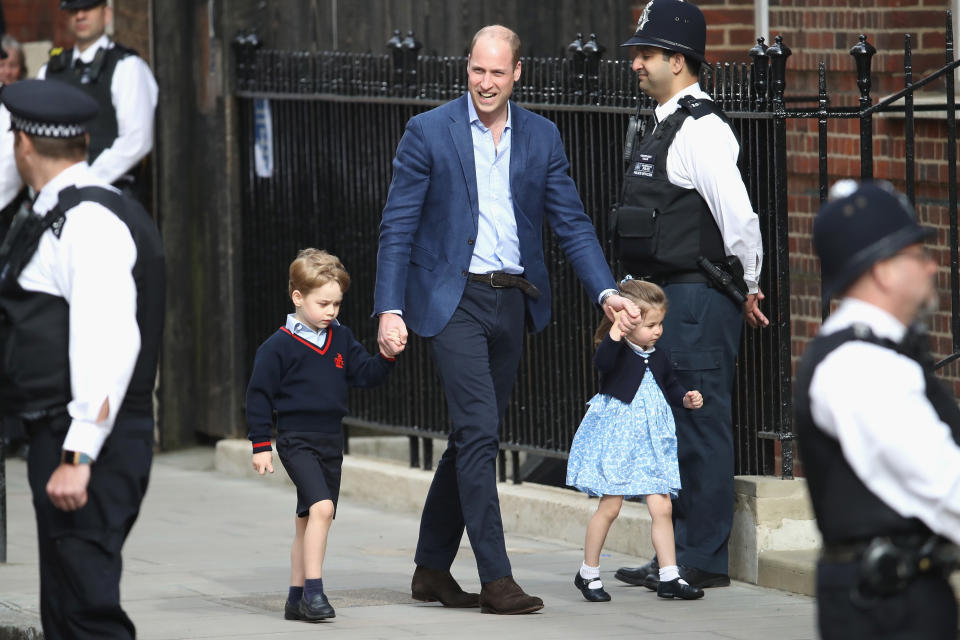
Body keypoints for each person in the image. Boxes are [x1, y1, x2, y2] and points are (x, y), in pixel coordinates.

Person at [374, 24, 641, 615]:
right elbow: (398, 225)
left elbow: (571, 223)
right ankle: (497, 579)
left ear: (518, 73)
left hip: (513, 299)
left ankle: (430, 569)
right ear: (465, 68)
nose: (485, 83)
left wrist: (605, 292)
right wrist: (389, 307)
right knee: (479, 434)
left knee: (471, 435)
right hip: (454, 300)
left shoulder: (542, 137)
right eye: (477, 70)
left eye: (497, 72)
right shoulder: (429, 131)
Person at [612, 0, 769, 591]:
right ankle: (672, 556)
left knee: (700, 421)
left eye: (647, 54)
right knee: (669, 426)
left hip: (698, 298)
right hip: (665, 300)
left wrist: (749, 283)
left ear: (678, 61)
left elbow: (739, 216)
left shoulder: (702, 128)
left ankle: (704, 555)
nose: (637, 64)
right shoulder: (660, 122)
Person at [0, 78, 164, 640]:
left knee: (88, 615)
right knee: (67, 612)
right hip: (64, 433)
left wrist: (78, 453)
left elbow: (110, 340)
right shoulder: (58, 208)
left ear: (23, 145)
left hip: (91, 439)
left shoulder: (89, 221)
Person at [795, 180, 960, 639]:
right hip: (887, 609)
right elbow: (943, 484)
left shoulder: (883, 353)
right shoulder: (860, 364)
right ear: (884, 270)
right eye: (917, 254)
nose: (932, 266)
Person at [246, 248, 400, 623]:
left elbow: (365, 374)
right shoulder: (277, 346)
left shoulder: (341, 338)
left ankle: (295, 598)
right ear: (298, 297)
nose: (331, 311)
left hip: (331, 441)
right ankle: (315, 594)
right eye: (323, 303)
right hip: (296, 440)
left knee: (308, 520)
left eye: (337, 304)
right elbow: (258, 396)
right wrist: (261, 445)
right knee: (322, 509)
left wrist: (388, 355)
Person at [567, 277, 705, 602]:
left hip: (652, 442)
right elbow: (601, 364)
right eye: (651, 324)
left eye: (660, 324)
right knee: (611, 506)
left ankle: (669, 575)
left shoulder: (658, 355)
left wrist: (685, 398)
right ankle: (588, 573)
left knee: (663, 506)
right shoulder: (614, 350)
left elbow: (670, 385)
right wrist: (615, 331)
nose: (657, 331)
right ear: (626, 322)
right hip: (620, 441)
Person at [38, 0, 158, 199]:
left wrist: (84, 181)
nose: (80, 16)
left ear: (107, 14)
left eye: (88, 8)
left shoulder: (127, 66)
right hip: (54, 195)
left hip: (109, 193)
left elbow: (137, 140)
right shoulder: (50, 71)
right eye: (74, 10)